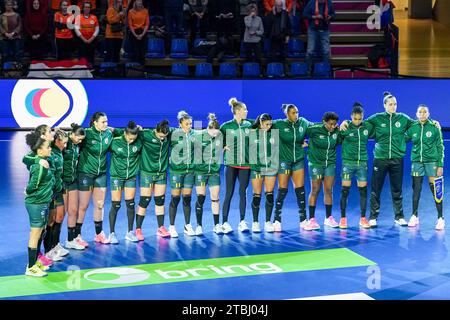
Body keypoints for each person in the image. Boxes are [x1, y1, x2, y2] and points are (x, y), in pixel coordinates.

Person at [340, 92, 440, 227]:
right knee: (376, 189)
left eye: (395, 104)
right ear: (385, 105)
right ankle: (373, 217)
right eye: (391, 104)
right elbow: (359, 123)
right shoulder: (377, 118)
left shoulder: (403, 118)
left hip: (397, 159)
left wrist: (433, 121)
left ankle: (399, 216)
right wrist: (345, 122)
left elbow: (419, 123)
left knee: (397, 188)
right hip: (380, 159)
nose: (393, 106)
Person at [76, 112, 115, 246]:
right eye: (103, 122)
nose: (106, 124)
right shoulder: (86, 133)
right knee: (84, 205)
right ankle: (77, 235)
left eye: (107, 121)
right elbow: (74, 140)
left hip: (101, 174)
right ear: (95, 122)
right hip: (85, 173)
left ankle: (99, 234)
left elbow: (121, 132)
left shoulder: (108, 134)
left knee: (100, 204)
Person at [271, 104, 311, 231]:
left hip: (298, 161)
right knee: (282, 190)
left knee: (300, 190)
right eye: (293, 113)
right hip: (284, 161)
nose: (296, 115)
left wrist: (340, 125)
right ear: (287, 114)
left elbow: (317, 127)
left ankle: (303, 220)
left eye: (297, 112)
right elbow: (262, 124)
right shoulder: (279, 124)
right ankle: (277, 220)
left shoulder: (303, 122)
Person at [406, 105, 445, 230]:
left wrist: (440, 164)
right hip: (417, 162)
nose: (422, 114)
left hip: (432, 162)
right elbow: (403, 138)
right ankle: (414, 216)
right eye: (420, 112)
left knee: (436, 190)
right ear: (416, 114)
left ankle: (440, 218)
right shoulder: (413, 128)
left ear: (428, 113)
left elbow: (440, 146)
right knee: (416, 190)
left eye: (425, 112)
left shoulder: (434, 127)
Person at [220, 97, 253, 234]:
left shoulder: (249, 125)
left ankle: (242, 221)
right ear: (238, 111)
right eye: (245, 109)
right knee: (229, 193)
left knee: (243, 193)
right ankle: (225, 222)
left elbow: (265, 127)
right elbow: (214, 138)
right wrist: (222, 145)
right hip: (231, 164)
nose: (247, 111)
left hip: (245, 164)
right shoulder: (226, 126)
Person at [23, 131, 54, 277]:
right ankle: (30, 267)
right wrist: (28, 191)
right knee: (35, 234)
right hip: (37, 203)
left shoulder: (44, 161)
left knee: (41, 231)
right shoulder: (40, 165)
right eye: (48, 147)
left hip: (43, 202)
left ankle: (35, 262)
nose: (50, 149)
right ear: (40, 150)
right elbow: (32, 185)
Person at [135, 120, 172, 240]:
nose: (162, 139)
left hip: (161, 174)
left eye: (164, 137)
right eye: (160, 136)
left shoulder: (169, 133)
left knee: (160, 201)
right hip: (147, 173)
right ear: (155, 131)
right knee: (144, 201)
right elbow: (127, 132)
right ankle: (138, 229)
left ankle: (161, 228)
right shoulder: (145, 134)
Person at [303, 111, 340, 231]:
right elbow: (298, 134)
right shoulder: (314, 129)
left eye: (334, 124)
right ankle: (312, 219)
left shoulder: (336, 131)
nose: (332, 127)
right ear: (324, 122)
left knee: (329, 190)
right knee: (315, 190)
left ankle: (328, 218)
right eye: (330, 124)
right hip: (315, 163)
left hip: (330, 164)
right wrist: (302, 143)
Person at [338, 103, 372, 229]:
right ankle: (342, 219)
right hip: (348, 163)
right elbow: (336, 138)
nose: (357, 121)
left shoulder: (367, 127)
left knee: (363, 191)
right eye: (355, 118)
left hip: (362, 164)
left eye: (360, 119)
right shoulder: (346, 127)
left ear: (363, 117)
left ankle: (363, 219)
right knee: (345, 191)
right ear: (351, 117)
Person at [107, 121, 143, 244]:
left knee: (130, 204)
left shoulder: (138, 141)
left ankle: (129, 232)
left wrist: (140, 129)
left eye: (134, 138)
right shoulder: (115, 140)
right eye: (129, 138)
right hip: (116, 176)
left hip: (131, 177)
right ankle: (111, 233)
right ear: (125, 133)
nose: (131, 141)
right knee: (116, 204)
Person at [193, 113, 223, 235]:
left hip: (214, 172)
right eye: (213, 133)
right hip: (201, 171)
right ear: (208, 129)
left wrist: (225, 146)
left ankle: (216, 225)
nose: (215, 135)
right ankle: (199, 226)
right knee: (201, 198)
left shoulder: (220, 135)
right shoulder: (198, 135)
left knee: (215, 199)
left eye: (217, 133)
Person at [249, 113, 279, 233]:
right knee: (257, 195)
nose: (269, 126)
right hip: (256, 168)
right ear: (261, 123)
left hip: (270, 168)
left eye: (270, 124)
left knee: (270, 194)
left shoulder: (274, 133)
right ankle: (255, 222)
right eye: (267, 124)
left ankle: (267, 222)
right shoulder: (252, 133)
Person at [43, 129, 69, 262]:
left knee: (58, 217)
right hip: (51, 192)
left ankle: (54, 245)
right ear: (56, 141)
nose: (65, 146)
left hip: (59, 190)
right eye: (63, 143)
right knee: (50, 221)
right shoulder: (51, 152)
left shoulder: (59, 151)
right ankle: (47, 250)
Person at [169, 111, 196, 237]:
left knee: (187, 199)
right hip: (176, 171)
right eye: (186, 124)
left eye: (190, 124)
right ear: (180, 124)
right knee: (175, 199)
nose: (189, 126)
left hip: (189, 172)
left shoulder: (194, 134)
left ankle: (187, 225)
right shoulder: (173, 133)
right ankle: (172, 227)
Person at [63, 123, 86, 250]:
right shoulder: (64, 142)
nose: (79, 141)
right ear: (71, 134)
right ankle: (53, 245)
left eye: (81, 139)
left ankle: (70, 240)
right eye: (78, 138)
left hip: (73, 181)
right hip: (62, 182)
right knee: (59, 216)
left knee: (73, 211)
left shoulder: (78, 145)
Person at [303, 0, 335, 75]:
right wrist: (315, 17)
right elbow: (304, 14)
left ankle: (325, 71)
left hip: (325, 30)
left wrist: (330, 16)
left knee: (326, 51)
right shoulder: (311, 2)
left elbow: (333, 14)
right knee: (310, 51)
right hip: (313, 30)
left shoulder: (329, 3)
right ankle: (308, 72)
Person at [128, 0, 149, 64]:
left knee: (142, 51)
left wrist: (142, 34)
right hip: (134, 32)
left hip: (143, 32)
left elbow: (147, 24)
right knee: (135, 51)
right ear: (135, 5)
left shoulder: (145, 11)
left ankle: (142, 68)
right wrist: (135, 35)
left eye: (141, 4)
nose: (140, 5)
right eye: (138, 4)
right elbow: (130, 25)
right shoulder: (130, 12)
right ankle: (135, 68)